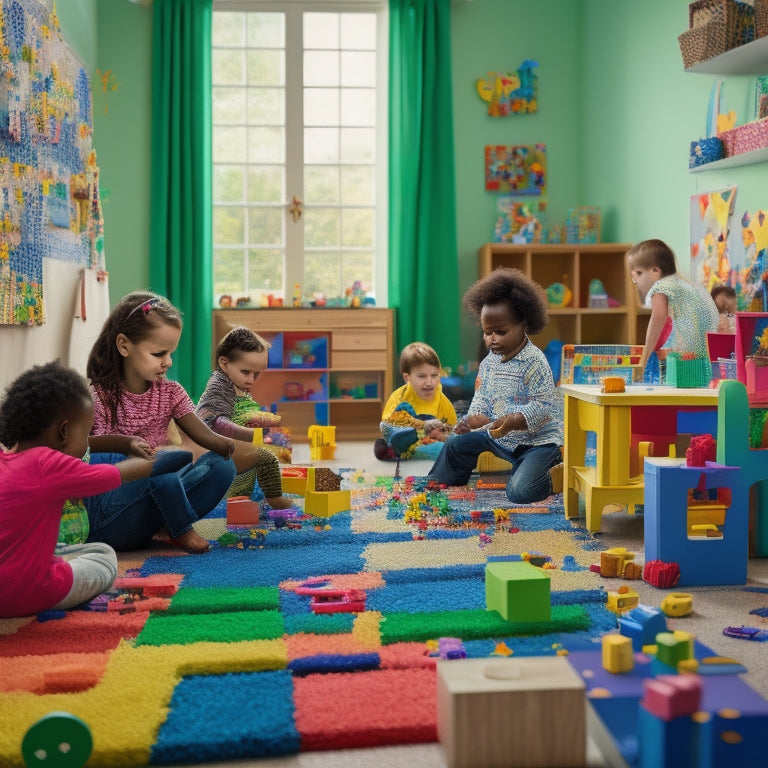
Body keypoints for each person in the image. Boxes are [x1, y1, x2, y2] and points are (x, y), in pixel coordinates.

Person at [86, 291, 236, 554]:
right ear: (124, 346)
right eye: (159, 353)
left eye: (170, 353)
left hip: (153, 503)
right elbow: (83, 449)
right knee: (163, 470)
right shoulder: (97, 395)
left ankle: (169, 524)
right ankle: (182, 529)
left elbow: (197, 429)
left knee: (221, 467)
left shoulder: (170, 392)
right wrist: (126, 445)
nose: (167, 362)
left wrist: (221, 442)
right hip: (112, 515)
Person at [0, 361, 154, 618]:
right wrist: (148, 460)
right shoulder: (48, 463)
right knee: (103, 556)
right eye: (85, 434)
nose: (86, 445)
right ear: (63, 432)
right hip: (25, 594)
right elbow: (126, 472)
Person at [427, 268, 563, 503]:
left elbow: (543, 406)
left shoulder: (535, 361)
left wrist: (513, 421)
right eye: (487, 332)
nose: (492, 339)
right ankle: (442, 481)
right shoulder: (489, 363)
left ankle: (554, 476)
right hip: (500, 437)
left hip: (537, 443)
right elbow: (482, 396)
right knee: (456, 444)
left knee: (519, 492)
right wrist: (473, 418)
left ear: (524, 325)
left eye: (501, 332)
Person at [196, 326, 292, 508]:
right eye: (246, 372)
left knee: (276, 444)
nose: (251, 380)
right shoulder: (218, 386)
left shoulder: (234, 383)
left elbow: (243, 413)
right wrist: (254, 435)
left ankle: (242, 493)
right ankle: (275, 499)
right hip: (211, 448)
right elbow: (216, 423)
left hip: (225, 445)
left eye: (256, 374)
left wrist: (267, 422)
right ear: (224, 363)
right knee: (266, 457)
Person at [628, 239, 720, 376]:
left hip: (687, 355)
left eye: (639, 274)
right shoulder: (682, 283)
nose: (635, 281)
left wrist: (644, 358)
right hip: (708, 351)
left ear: (655, 271)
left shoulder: (660, 287)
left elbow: (658, 318)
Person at [374, 342, 457, 461]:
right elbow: (388, 423)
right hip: (403, 434)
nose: (429, 382)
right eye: (422, 376)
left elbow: (451, 427)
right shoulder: (400, 396)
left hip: (426, 442)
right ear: (407, 378)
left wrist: (442, 434)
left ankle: (395, 451)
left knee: (447, 447)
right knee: (401, 410)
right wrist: (423, 425)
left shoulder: (442, 400)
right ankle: (394, 448)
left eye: (434, 375)